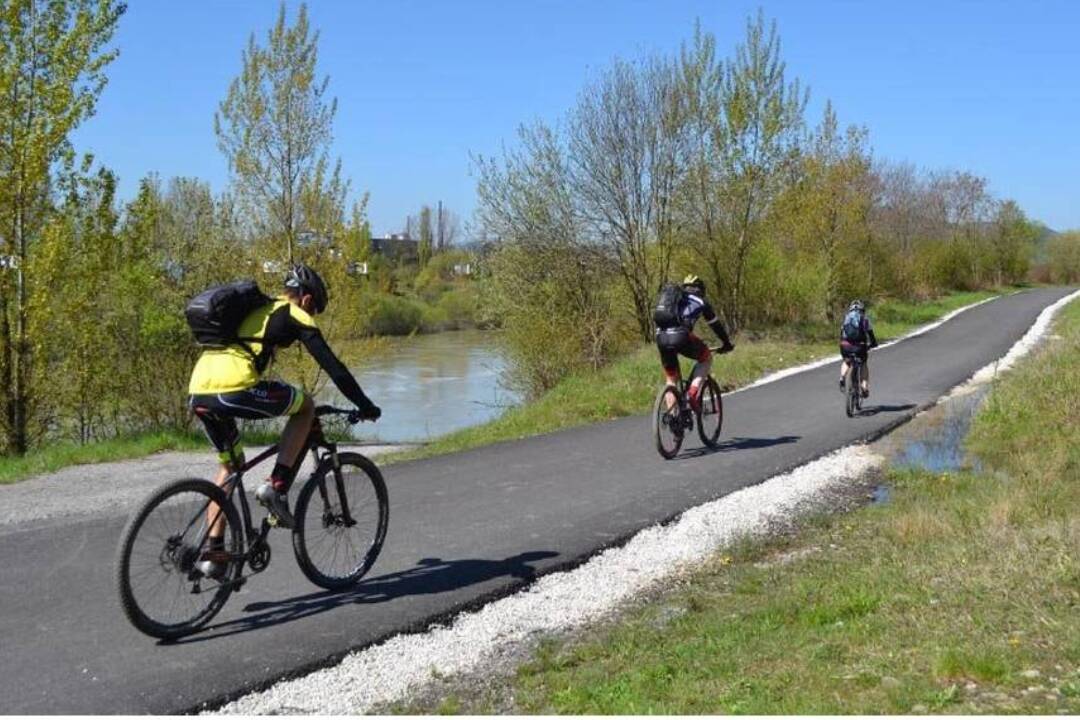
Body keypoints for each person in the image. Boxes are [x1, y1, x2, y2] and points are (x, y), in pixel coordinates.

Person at [188, 264, 380, 575]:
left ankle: (215, 553)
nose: (312, 313)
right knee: (305, 407)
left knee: (230, 467)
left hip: (199, 390)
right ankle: (275, 486)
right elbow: (334, 367)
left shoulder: (257, 310)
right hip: (233, 387)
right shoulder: (294, 313)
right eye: (314, 308)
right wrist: (366, 405)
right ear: (306, 300)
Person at [655, 275, 735, 410]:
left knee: (671, 379)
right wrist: (726, 343)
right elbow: (716, 325)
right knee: (706, 358)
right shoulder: (701, 301)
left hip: (661, 336)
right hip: (681, 336)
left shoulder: (674, 299)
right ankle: (692, 393)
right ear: (701, 289)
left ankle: (673, 418)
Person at [838, 299, 878, 398]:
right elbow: (871, 336)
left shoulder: (846, 318)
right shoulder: (865, 320)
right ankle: (864, 387)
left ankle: (842, 377)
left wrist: (843, 344)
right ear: (862, 310)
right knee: (863, 363)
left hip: (845, 345)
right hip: (859, 346)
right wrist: (873, 344)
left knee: (846, 361)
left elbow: (841, 334)